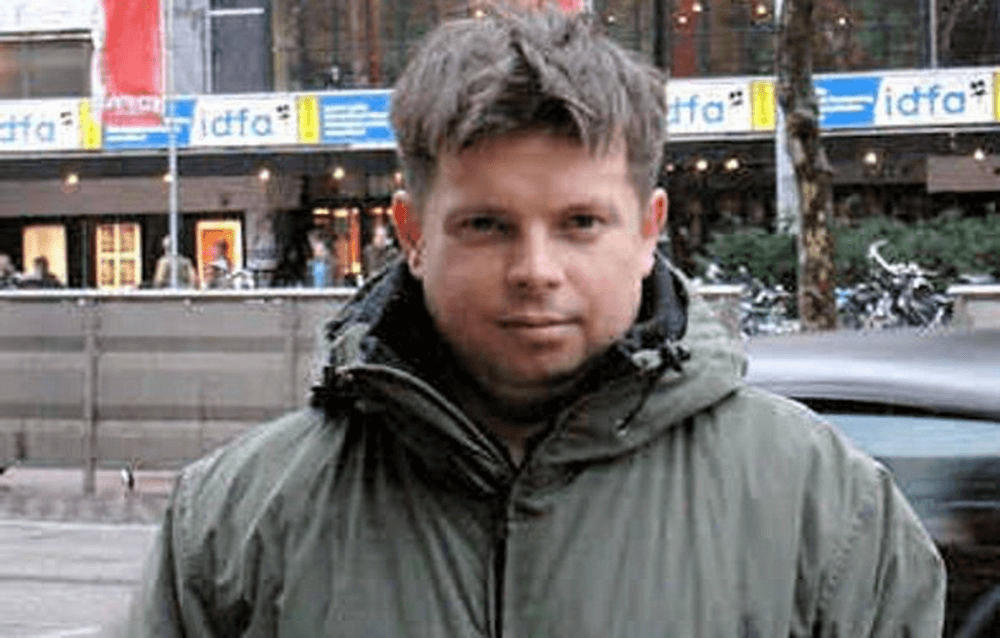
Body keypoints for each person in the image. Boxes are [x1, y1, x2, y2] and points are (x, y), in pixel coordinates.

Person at [126, 7, 944, 636]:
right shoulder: (236, 520)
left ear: (649, 230)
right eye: (487, 225)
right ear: (412, 235)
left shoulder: (828, 511)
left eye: (581, 223)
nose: (536, 270)